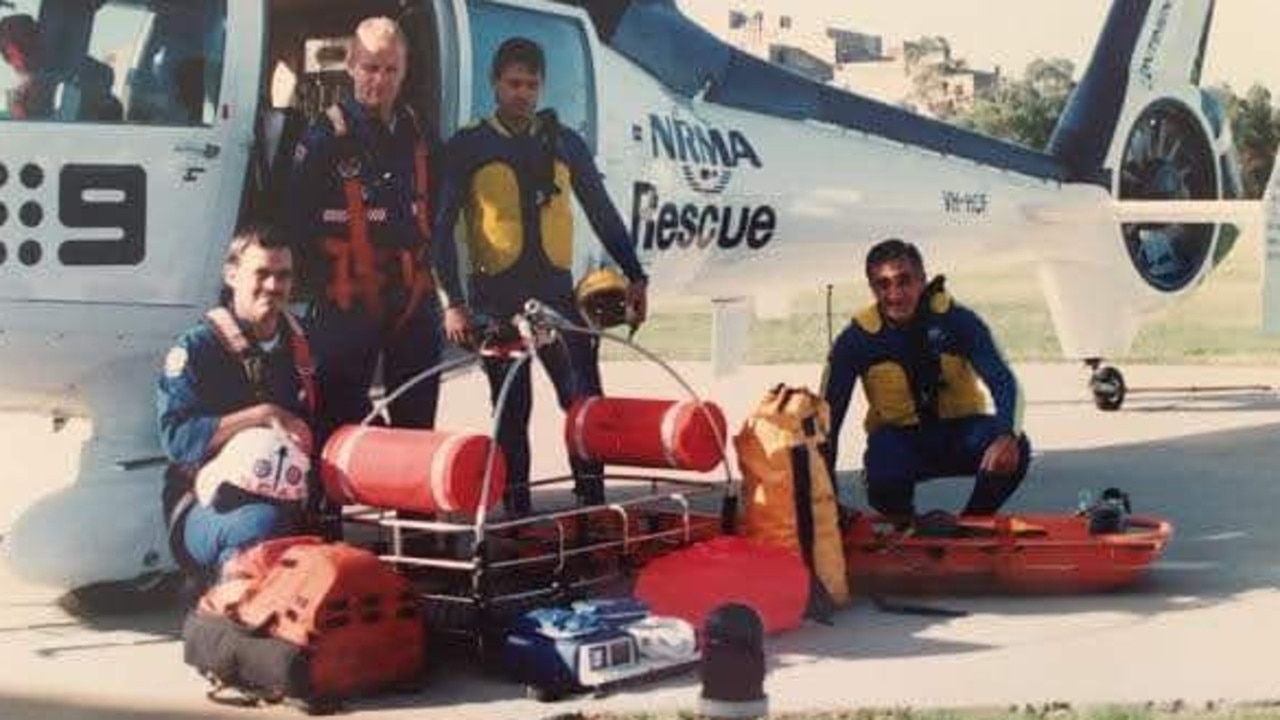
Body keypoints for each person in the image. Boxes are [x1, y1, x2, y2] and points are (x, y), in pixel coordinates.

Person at [432, 37, 648, 516]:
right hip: (495, 303)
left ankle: (592, 508)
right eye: (513, 84)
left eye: (531, 85)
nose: (523, 94)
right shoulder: (468, 145)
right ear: (494, 85)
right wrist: (452, 301)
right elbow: (441, 230)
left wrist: (635, 273)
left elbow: (602, 212)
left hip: (558, 297)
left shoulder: (564, 141)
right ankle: (517, 515)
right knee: (512, 409)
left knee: (584, 402)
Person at [286, 16, 443, 447]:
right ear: (352, 65)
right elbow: (296, 223)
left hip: (412, 296)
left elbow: (443, 211)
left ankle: (412, 510)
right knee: (338, 420)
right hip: (347, 296)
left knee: (417, 419)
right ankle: (330, 512)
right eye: (371, 67)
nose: (380, 79)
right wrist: (319, 289)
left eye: (391, 69)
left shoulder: (419, 133)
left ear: (404, 72)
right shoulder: (324, 138)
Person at [821, 239, 1030, 521]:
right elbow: (826, 420)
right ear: (872, 289)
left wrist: (1007, 435)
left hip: (958, 435)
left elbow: (1004, 381)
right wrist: (827, 500)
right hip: (902, 442)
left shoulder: (958, 321)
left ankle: (972, 523)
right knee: (882, 471)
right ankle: (907, 525)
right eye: (883, 284)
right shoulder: (856, 340)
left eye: (904, 281)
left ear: (922, 280)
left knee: (1017, 445)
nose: (895, 294)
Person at [157, 226, 316, 579]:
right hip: (209, 502)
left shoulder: (305, 344)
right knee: (262, 528)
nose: (273, 286)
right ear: (231, 275)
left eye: (283, 275)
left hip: (289, 494)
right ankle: (230, 610)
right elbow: (178, 440)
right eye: (261, 274)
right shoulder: (198, 349)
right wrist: (262, 415)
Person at [0, 13, 51, 119]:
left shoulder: (43, 86)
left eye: (10, 54)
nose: (10, 63)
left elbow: (31, 128)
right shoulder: (25, 85)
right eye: (5, 54)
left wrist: (17, 106)